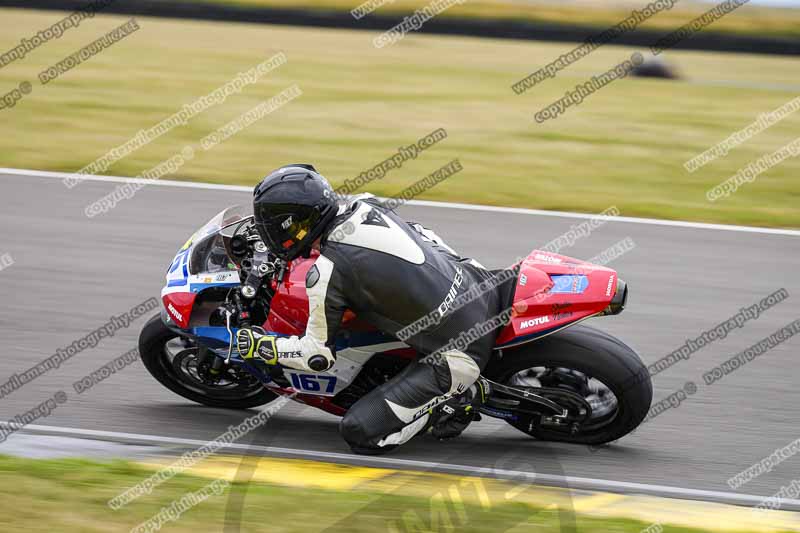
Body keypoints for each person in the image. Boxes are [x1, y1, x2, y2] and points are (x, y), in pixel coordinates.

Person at [236, 164, 515, 454]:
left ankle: (454, 402)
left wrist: (261, 346)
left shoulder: (326, 272)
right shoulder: (365, 204)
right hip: (478, 280)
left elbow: (317, 356)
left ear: (295, 223)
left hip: (460, 351)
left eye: (269, 224)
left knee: (359, 433)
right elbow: (422, 233)